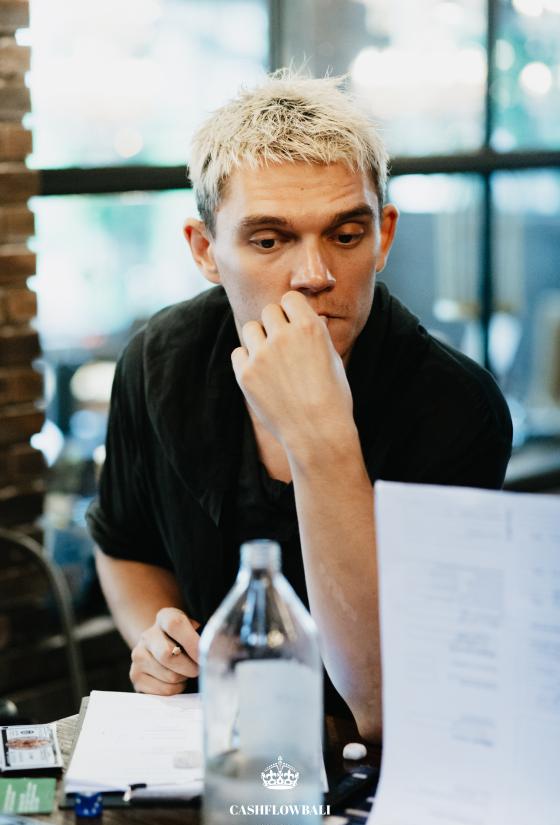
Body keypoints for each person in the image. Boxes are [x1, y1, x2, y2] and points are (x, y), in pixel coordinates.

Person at [87, 71, 512, 742]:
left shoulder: (456, 406)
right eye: (269, 240)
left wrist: (321, 436)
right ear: (205, 250)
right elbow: (124, 545)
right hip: (213, 747)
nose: (315, 275)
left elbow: (385, 704)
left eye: (345, 235)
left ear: (384, 236)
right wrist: (159, 637)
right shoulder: (158, 361)